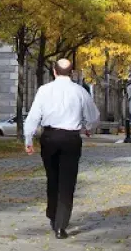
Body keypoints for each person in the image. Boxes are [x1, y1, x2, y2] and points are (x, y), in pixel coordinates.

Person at [24, 58, 100, 238]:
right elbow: (94, 116)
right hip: (71, 138)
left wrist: (28, 138)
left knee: (52, 178)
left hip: (49, 137)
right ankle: (61, 224)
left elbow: (34, 116)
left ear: (54, 71)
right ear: (72, 72)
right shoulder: (80, 91)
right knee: (67, 181)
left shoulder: (44, 90)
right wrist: (88, 128)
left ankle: (52, 215)